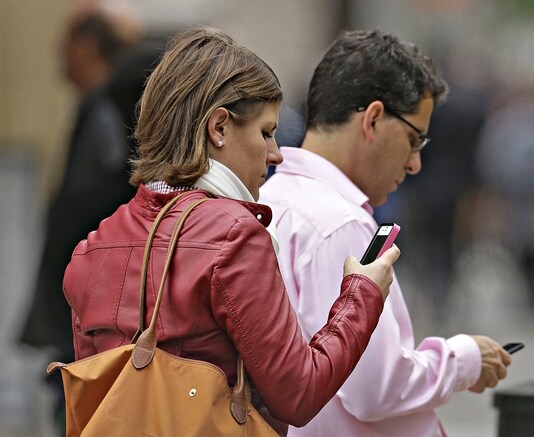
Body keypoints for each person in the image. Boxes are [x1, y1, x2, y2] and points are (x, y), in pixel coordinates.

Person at [61, 25, 400, 436]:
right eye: (266, 132)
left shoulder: (93, 246)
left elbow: (98, 389)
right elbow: (298, 393)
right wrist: (362, 294)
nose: (276, 153)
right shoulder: (234, 234)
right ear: (218, 127)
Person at [260, 29, 512, 437]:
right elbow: (375, 387)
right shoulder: (337, 223)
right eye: (414, 139)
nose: (414, 163)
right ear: (373, 119)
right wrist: (463, 359)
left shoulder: (270, 199)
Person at [18, 0, 141, 433]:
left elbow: (88, 217)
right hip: (86, 318)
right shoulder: (103, 110)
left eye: (64, 44)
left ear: (85, 46)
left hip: (87, 322)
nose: (58, 56)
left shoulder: (106, 115)